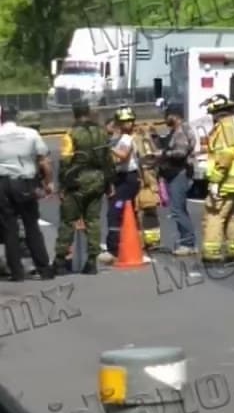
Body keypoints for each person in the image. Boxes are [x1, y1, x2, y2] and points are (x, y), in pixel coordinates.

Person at [55, 101, 111, 275]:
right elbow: (108, 159)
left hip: (77, 181)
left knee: (68, 221)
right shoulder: (102, 132)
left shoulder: (71, 134)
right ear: (88, 112)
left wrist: (62, 185)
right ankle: (92, 260)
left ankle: (60, 260)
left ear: (74, 113)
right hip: (98, 179)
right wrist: (109, 183)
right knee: (93, 220)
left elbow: (65, 161)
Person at [0, 106, 54, 281]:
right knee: (31, 226)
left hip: (2, 183)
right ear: (16, 117)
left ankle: (16, 272)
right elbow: (44, 161)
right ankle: (44, 269)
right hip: (24, 182)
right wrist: (48, 182)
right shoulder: (30, 134)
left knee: (9, 228)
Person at [201, 95, 234, 264]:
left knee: (215, 215)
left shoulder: (226, 127)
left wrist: (215, 180)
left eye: (212, 113)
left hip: (226, 179)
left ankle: (212, 253)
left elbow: (226, 155)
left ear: (218, 113)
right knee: (233, 216)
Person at [158, 104, 197, 256]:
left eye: (168, 116)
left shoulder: (181, 130)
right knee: (179, 208)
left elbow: (180, 152)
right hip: (175, 173)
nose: (166, 119)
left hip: (179, 173)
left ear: (175, 116)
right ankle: (187, 241)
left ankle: (188, 243)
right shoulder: (177, 130)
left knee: (177, 209)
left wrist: (163, 153)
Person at [105, 107, 141, 263]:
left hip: (127, 179)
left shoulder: (127, 139)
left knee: (115, 211)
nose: (127, 124)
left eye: (129, 121)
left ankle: (113, 248)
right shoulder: (120, 137)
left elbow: (123, 156)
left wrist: (109, 149)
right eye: (124, 122)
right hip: (121, 178)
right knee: (126, 211)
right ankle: (129, 241)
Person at [131, 114, 163, 251]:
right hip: (145, 179)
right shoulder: (141, 140)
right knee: (145, 211)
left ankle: (148, 241)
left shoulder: (142, 140)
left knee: (146, 209)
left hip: (146, 180)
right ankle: (145, 240)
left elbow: (149, 159)